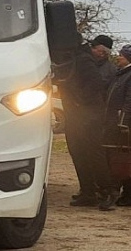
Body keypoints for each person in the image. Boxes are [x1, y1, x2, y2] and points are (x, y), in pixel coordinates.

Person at [59, 37, 119, 210]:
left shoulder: (84, 60)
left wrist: (79, 102)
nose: (101, 54)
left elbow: (95, 84)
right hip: (78, 115)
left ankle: (108, 191)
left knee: (93, 154)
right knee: (78, 153)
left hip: (88, 115)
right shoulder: (79, 58)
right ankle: (88, 191)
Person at [104, 44, 131, 207]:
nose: (118, 57)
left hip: (122, 127)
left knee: (118, 160)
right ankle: (127, 195)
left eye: (121, 55)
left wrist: (124, 122)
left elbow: (129, 100)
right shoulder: (120, 74)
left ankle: (113, 193)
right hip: (115, 122)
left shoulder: (128, 76)